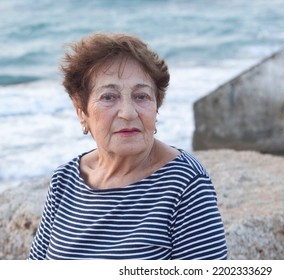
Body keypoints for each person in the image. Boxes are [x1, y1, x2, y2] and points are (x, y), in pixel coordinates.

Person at [28, 33, 227, 260]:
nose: (128, 113)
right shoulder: (65, 181)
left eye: (141, 96)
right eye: (109, 97)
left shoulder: (184, 184)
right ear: (81, 111)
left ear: (156, 105)